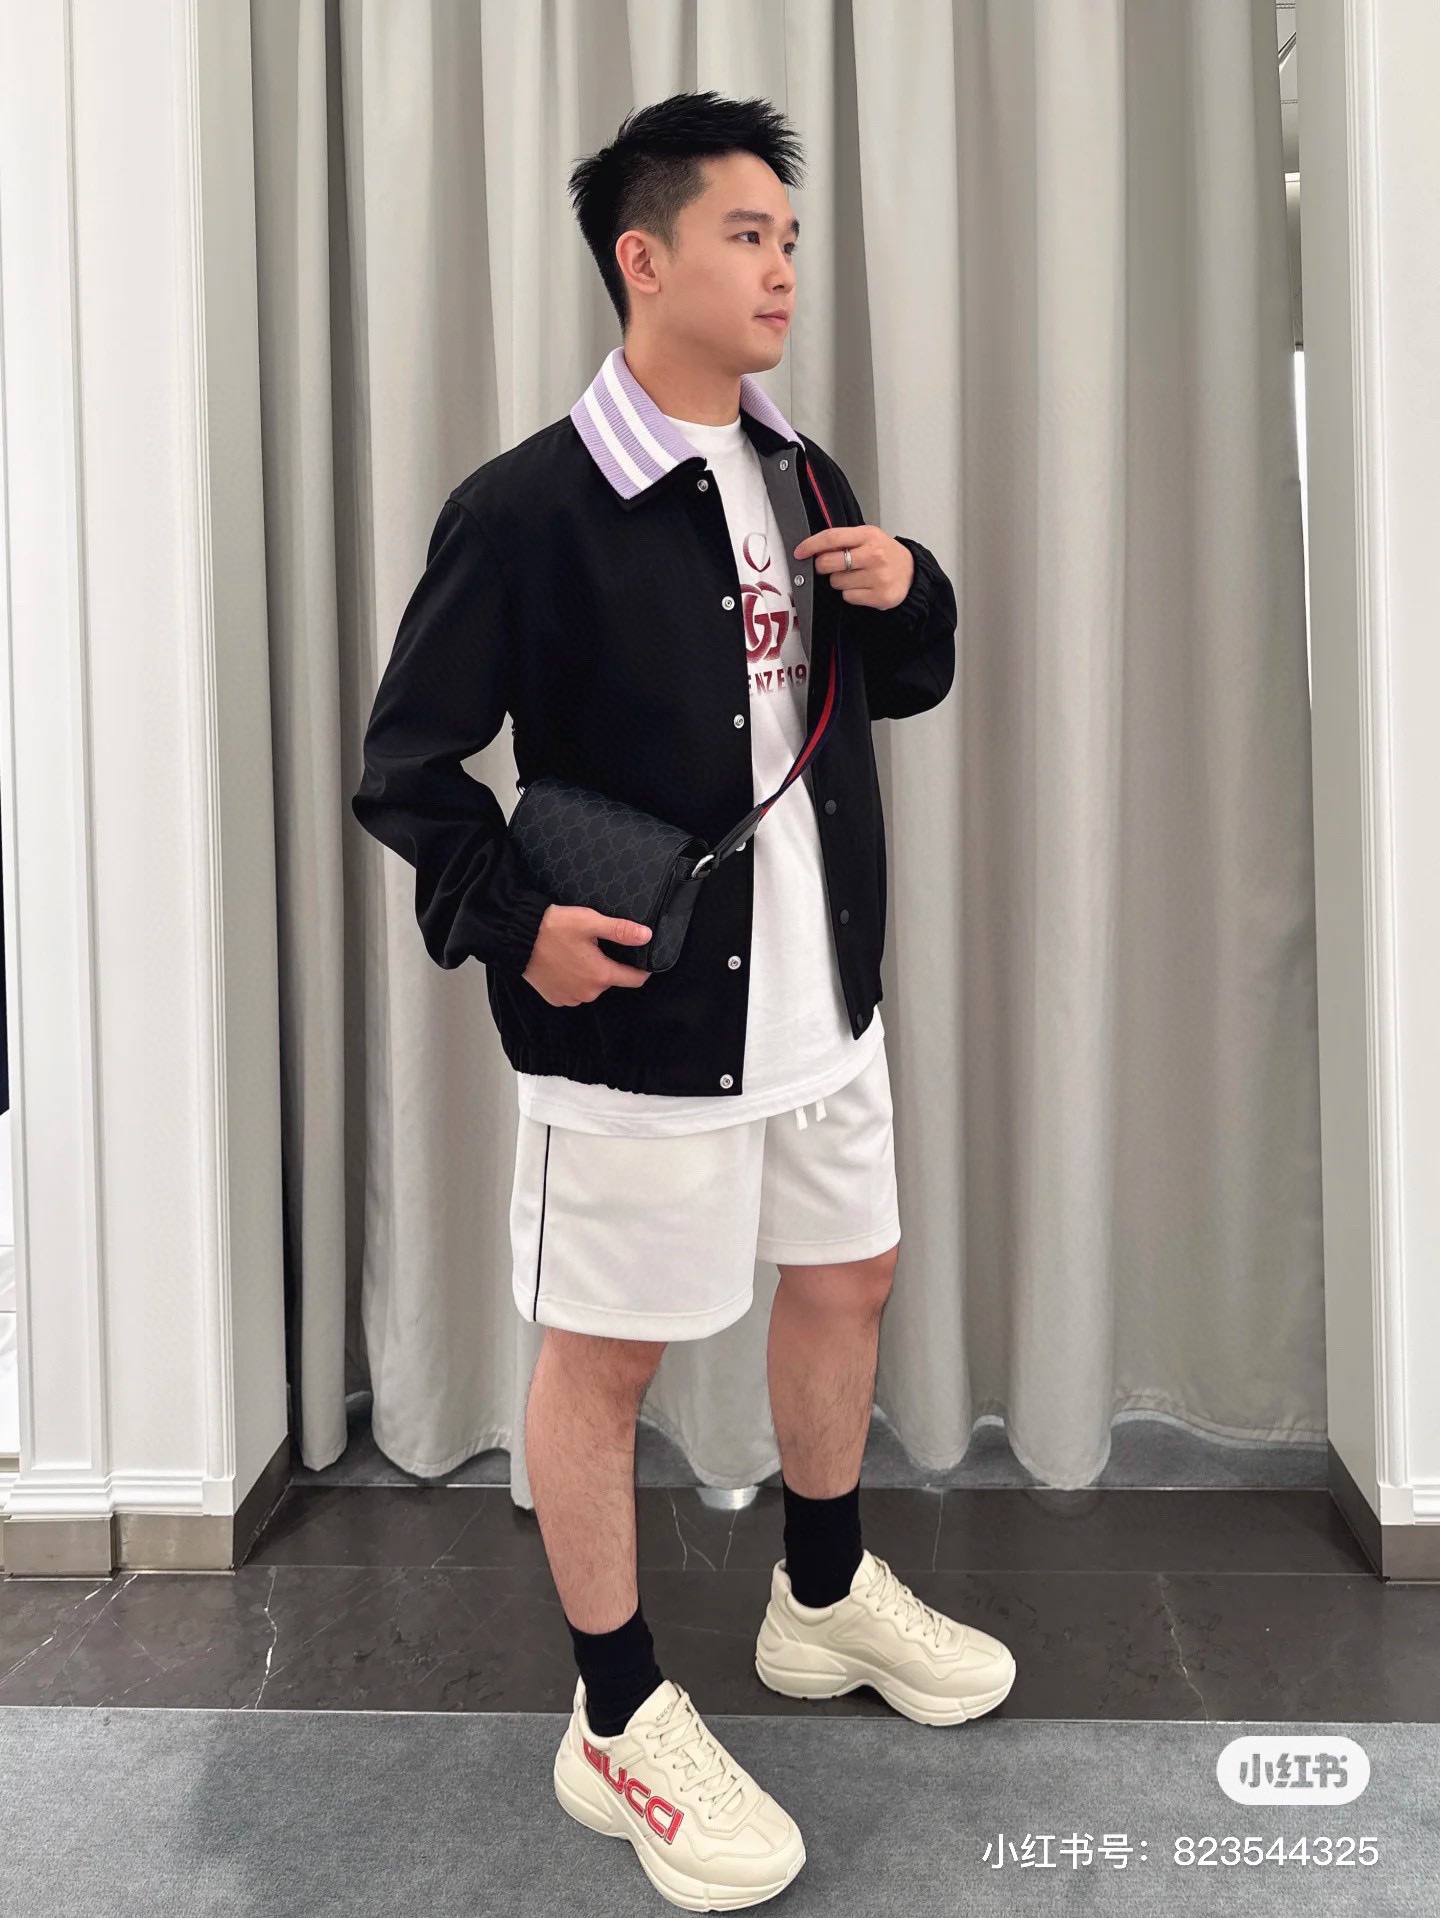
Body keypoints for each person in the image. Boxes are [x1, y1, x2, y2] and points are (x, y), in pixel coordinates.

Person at [353, 88, 1015, 1912]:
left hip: (825, 999)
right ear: (642, 260)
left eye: (790, 239)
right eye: (747, 235)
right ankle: (617, 1713)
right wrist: (512, 924)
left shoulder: (806, 474)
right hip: (642, 1028)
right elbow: (406, 766)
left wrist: (911, 587)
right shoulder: (527, 509)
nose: (784, 267)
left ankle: (823, 1593)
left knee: (850, 1276)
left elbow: (897, 685)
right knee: (608, 1355)